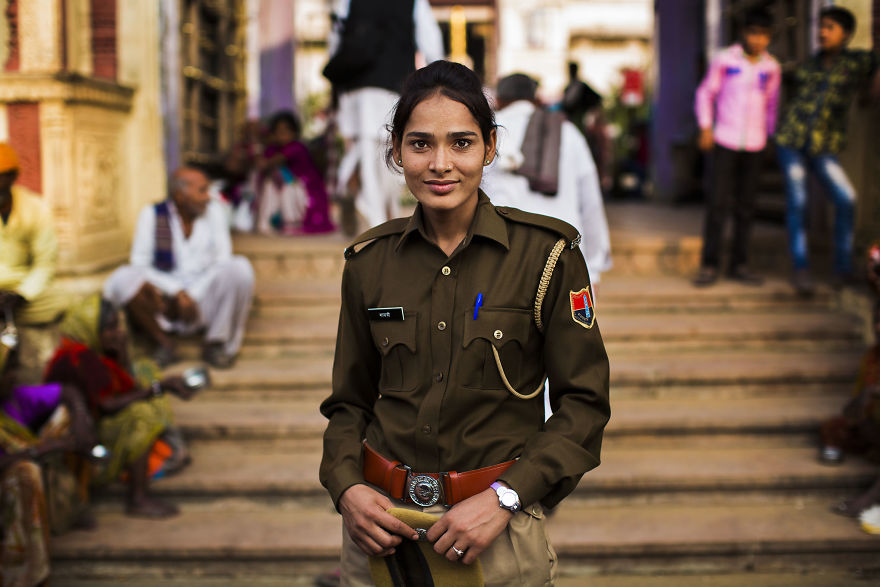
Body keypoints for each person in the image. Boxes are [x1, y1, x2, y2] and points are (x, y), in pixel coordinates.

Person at [319, 61, 610, 585]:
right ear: (396, 151)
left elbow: (583, 405)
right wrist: (347, 488)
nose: (440, 164)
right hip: (380, 530)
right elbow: (349, 403)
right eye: (420, 144)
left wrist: (507, 498)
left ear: (491, 148)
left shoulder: (546, 257)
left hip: (495, 531)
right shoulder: (369, 262)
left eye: (461, 143)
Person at [44, 294, 196, 518]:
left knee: (145, 371)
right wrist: (156, 389)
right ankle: (137, 498)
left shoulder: (84, 351)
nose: (118, 333)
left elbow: (124, 386)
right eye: (111, 328)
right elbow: (108, 404)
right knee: (141, 416)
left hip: (92, 424)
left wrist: (123, 357)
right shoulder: (79, 357)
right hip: (80, 440)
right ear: (91, 328)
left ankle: (161, 450)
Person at [102, 167, 255, 368]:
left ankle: (215, 342)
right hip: (165, 303)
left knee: (240, 268)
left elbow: (222, 261)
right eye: (202, 191)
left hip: (204, 299)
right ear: (180, 196)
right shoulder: (152, 214)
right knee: (122, 278)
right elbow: (139, 264)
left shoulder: (215, 212)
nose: (208, 197)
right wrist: (176, 291)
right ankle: (164, 343)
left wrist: (191, 294)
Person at [775, 6, 880, 296]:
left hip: (824, 146)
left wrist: (869, 93)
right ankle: (801, 268)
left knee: (846, 200)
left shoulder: (857, 62)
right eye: (821, 26)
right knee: (798, 203)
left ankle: (842, 268)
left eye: (830, 27)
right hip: (792, 142)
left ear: (846, 34)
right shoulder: (809, 65)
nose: (822, 32)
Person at [484, 72, 613, 286]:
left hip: (503, 260)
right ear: (536, 100)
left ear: (498, 100)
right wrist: (594, 270)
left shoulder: (485, 133)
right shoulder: (569, 132)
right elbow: (591, 205)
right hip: (564, 258)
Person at [325, 0, 444, 231]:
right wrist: (438, 76)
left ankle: (356, 194)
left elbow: (336, 39)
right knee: (389, 145)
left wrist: (337, 78)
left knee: (365, 146)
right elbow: (430, 39)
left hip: (356, 84)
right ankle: (377, 214)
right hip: (395, 83)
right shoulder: (414, 2)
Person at [692, 8, 781, 287]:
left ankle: (739, 264)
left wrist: (769, 136)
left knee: (746, 207)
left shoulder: (771, 67)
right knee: (718, 204)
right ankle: (709, 265)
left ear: (769, 37)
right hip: (725, 140)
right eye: (754, 33)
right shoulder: (724, 60)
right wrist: (706, 127)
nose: (758, 40)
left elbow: (772, 105)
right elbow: (706, 93)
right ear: (744, 33)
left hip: (755, 143)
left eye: (764, 35)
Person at [0, 339, 94, 585]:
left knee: (65, 418)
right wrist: (38, 451)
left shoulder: (15, 399)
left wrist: (81, 420)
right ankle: (21, 573)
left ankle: (67, 506)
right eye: (8, 369)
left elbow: (68, 391)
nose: (14, 376)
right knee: (25, 472)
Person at [0, 142, 68, 384]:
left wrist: (20, 295)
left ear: (13, 177)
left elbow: (45, 265)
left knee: (58, 301)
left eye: (3, 177)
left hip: (22, 289)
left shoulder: (35, 208)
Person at [256, 110, 336, 235]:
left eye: (285, 132)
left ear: (294, 133)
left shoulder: (297, 147)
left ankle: (291, 223)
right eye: (277, 132)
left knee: (289, 186)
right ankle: (266, 223)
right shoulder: (273, 149)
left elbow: (270, 162)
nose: (281, 135)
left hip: (305, 194)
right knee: (269, 185)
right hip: (284, 189)